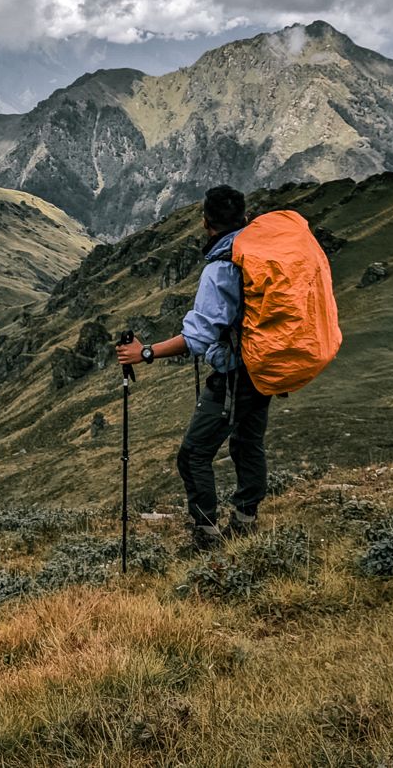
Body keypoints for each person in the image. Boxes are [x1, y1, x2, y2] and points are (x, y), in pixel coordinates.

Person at [115, 185, 271, 551]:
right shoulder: (259, 253)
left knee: (193, 454)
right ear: (244, 218)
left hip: (236, 376)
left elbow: (198, 337)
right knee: (248, 443)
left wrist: (146, 353)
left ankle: (207, 536)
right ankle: (246, 520)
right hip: (265, 365)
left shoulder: (222, 268)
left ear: (206, 223)